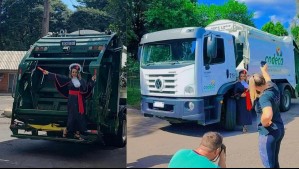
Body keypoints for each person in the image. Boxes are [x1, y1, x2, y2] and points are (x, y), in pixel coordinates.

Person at [38, 63, 96, 140]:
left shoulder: (82, 81)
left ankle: (77, 134)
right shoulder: (68, 80)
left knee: (80, 116)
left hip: (80, 101)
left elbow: (87, 88)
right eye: (73, 72)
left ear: (78, 73)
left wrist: (92, 80)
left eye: (76, 72)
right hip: (72, 100)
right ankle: (67, 129)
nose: (74, 73)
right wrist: (48, 73)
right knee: (72, 116)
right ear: (71, 73)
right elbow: (58, 77)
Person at [248, 63, 285, 168]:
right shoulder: (273, 87)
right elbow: (268, 78)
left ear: (255, 87)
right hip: (279, 129)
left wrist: (264, 122)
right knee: (274, 162)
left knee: (269, 164)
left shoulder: (264, 97)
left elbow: (268, 114)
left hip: (269, 133)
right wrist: (263, 70)